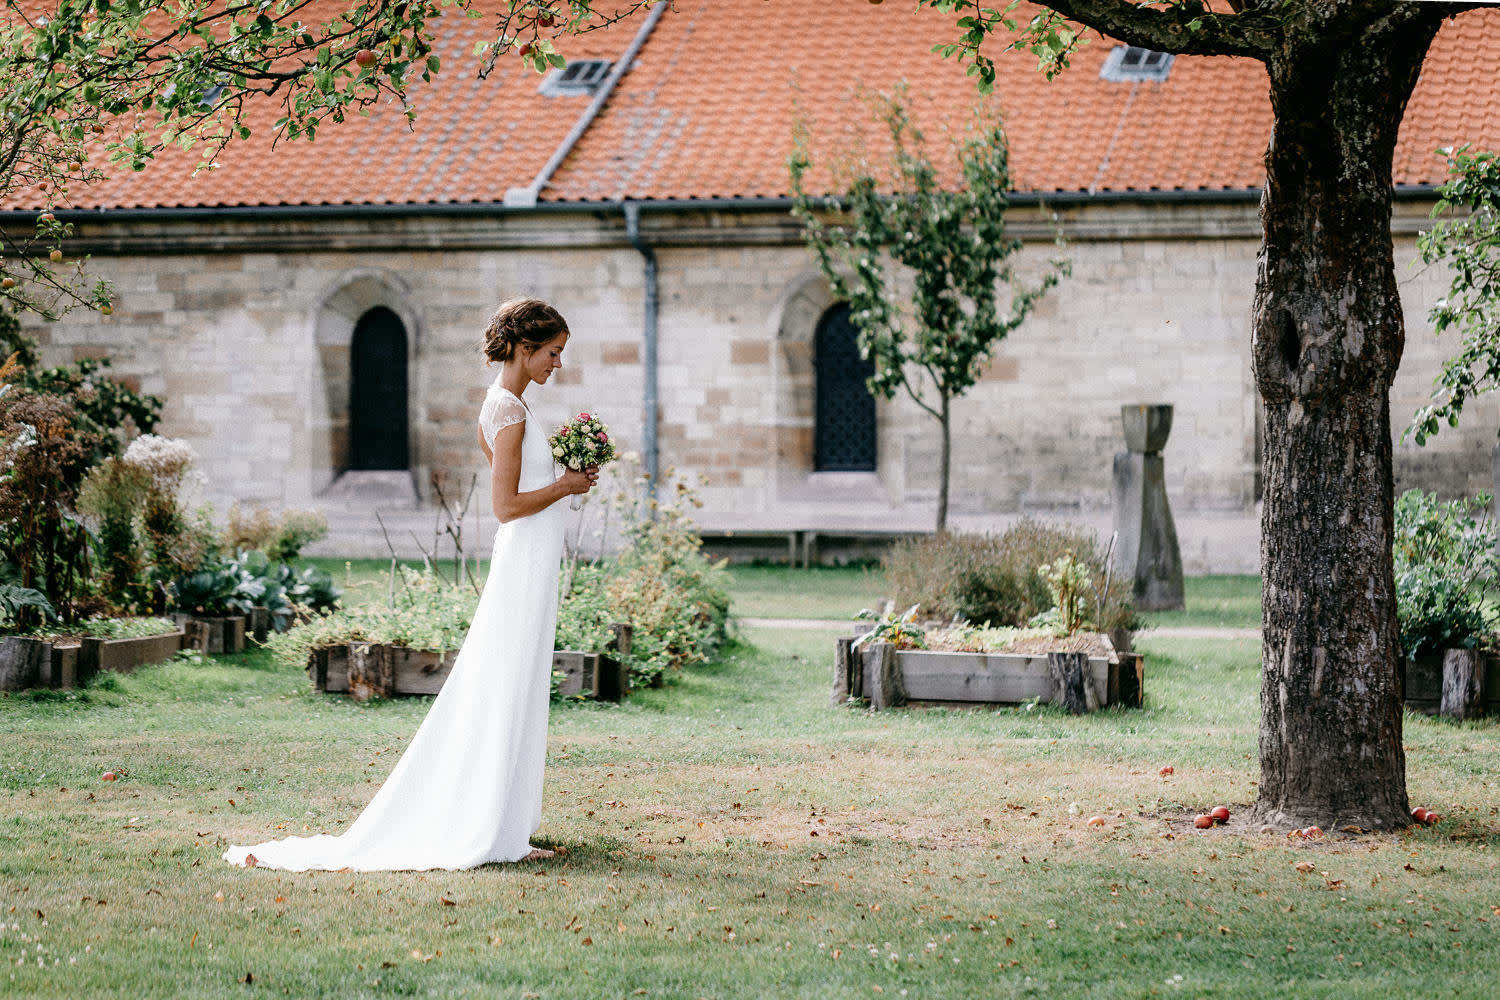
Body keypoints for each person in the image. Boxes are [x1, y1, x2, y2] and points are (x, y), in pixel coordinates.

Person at [222, 298, 597, 871]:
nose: (557, 364)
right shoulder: (512, 412)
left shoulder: (504, 406)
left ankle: (507, 828)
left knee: (517, 687)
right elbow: (505, 506)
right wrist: (565, 487)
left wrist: (562, 479)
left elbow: (502, 466)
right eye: (553, 353)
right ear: (524, 350)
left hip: (532, 560)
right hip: (522, 561)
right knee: (507, 685)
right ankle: (490, 828)